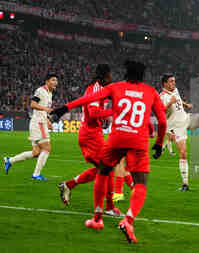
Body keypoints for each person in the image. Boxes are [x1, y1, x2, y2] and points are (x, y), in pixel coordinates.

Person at [50, 61, 167, 243]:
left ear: (126, 74)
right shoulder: (150, 91)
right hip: (137, 140)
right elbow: (163, 122)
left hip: (116, 139)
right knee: (141, 183)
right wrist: (159, 144)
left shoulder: (115, 87)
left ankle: (97, 219)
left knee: (103, 172)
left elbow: (87, 100)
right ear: (142, 76)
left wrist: (64, 108)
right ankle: (127, 221)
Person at [57, 64, 122, 217]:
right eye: (110, 75)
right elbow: (93, 113)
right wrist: (112, 112)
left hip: (94, 133)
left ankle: (68, 185)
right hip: (91, 134)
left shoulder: (100, 89)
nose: (112, 78)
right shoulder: (95, 89)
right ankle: (109, 207)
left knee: (103, 169)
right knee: (108, 168)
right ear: (105, 76)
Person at [4, 74, 58, 180]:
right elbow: (33, 104)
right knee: (47, 148)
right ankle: (36, 174)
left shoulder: (50, 93)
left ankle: (10, 161)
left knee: (36, 152)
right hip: (38, 123)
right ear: (47, 81)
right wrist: (45, 110)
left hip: (40, 122)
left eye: (56, 80)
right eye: (53, 80)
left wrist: (48, 120)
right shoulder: (40, 91)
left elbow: (43, 110)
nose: (56, 82)